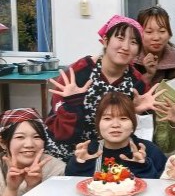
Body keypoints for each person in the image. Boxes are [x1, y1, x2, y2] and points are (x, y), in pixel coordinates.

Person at [46, 14, 161, 162]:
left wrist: (136, 113)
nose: (125, 47)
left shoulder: (136, 83)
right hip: (67, 153)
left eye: (133, 42)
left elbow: (139, 133)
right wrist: (72, 105)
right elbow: (59, 131)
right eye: (120, 38)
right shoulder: (79, 72)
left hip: (111, 155)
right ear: (105, 41)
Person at [133, 6, 175, 85]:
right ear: (139, 34)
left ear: (169, 34)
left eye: (162, 31)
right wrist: (148, 75)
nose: (156, 38)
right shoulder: (129, 58)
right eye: (149, 32)